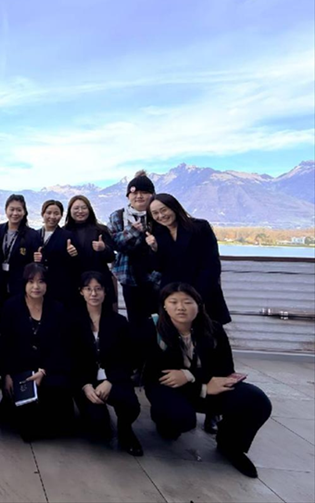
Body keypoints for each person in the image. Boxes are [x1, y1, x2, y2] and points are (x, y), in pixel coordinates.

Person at [139, 283, 272, 478]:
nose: (181, 308)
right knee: (180, 420)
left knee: (256, 400)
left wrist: (193, 378)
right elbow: (153, 374)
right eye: (173, 302)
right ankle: (164, 422)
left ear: (198, 305)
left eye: (187, 302)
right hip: (168, 387)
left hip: (209, 386)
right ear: (164, 306)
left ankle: (230, 445)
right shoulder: (152, 328)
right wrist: (199, 385)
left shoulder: (213, 329)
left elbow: (226, 369)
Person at [0, 263, 74, 442]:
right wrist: (6, 374)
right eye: (31, 281)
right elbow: (5, 344)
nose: (36, 286)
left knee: (63, 424)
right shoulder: (11, 306)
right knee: (27, 432)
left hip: (48, 370)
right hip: (21, 371)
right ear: (24, 283)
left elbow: (62, 346)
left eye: (41, 281)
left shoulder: (57, 309)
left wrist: (45, 371)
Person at [73, 272, 142, 456]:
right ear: (81, 292)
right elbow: (70, 358)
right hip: (86, 381)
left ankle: (126, 429)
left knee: (131, 405)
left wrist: (111, 380)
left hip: (113, 378)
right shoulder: (73, 321)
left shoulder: (119, 322)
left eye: (98, 289)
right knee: (98, 428)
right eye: (88, 289)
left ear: (105, 291)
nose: (93, 293)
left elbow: (130, 358)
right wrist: (85, 385)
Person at [147, 193, 232, 326]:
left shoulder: (199, 227)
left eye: (164, 210)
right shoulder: (157, 233)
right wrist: (154, 249)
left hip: (202, 292)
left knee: (208, 332)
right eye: (155, 213)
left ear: (174, 207)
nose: (161, 216)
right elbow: (158, 267)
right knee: (174, 334)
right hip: (172, 295)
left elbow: (212, 263)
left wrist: (196, 295)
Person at [108, 170, 161, 325]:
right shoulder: (117, 216)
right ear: (128, 196)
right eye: (135, 193)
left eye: (144, 192)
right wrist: (132, 231)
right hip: (129, 277)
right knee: (136, 321)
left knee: (161, 320)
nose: (139, 196)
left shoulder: (159, 214)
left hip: (158, 277)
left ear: (152, 195)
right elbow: (114, 243)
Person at [63, 195, 118, 310]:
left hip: (99, 281)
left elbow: (112, 257)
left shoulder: (101, 230)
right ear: (70, 211)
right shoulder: (63, 232)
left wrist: (103, 249)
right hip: (73, 282)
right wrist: (67, 254)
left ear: (89, 210)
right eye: (76, 208)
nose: (80, 211)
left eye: (84, 208)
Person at [34, 199, 81, 306]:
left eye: (56, 213)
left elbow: (77, 264)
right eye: (49, 213)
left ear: (61, 215)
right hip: (39, 284)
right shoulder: (34, 235)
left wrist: (74, 255)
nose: (52, 216)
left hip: (61, 285)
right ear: (42, 214)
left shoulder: (68, 236)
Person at [0, 194, 40, 302]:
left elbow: (34, 263)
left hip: (20, 285)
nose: (15, 213)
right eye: (12, 209)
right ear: (6, 210)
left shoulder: (32, 235)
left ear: (24, 212)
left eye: (19, 210)